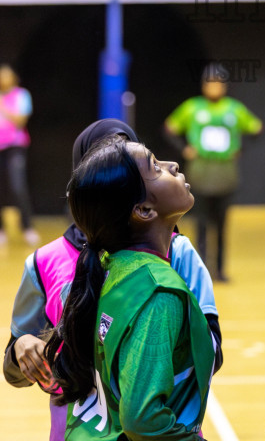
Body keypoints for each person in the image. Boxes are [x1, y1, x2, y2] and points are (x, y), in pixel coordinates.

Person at [3, 118, 222, 441]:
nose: (172, 165)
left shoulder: (140, 263)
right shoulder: (153, 288)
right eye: (153, 165)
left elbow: (208, 353)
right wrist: (23, 346)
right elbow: (142, 419)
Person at [164, 63, 263, 282]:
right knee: (200, 223)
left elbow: (256, 128)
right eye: (210, 83)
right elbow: (169, 128)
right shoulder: (192, 107)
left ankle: (219, 269)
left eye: (218, 83)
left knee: (221, 225)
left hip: (225, 173)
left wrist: (240, 148)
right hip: (200, 173)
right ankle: (200, 268)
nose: (214, 87)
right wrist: (184, 149)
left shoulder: (233, 109)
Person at [0, 63, 39, 246]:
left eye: (7, 75)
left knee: (17, 186)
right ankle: (1, 230)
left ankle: (27, 227)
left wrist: (3, 106)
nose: (3, 79)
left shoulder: (22, 95)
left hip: (15, 146)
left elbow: (19, 121)